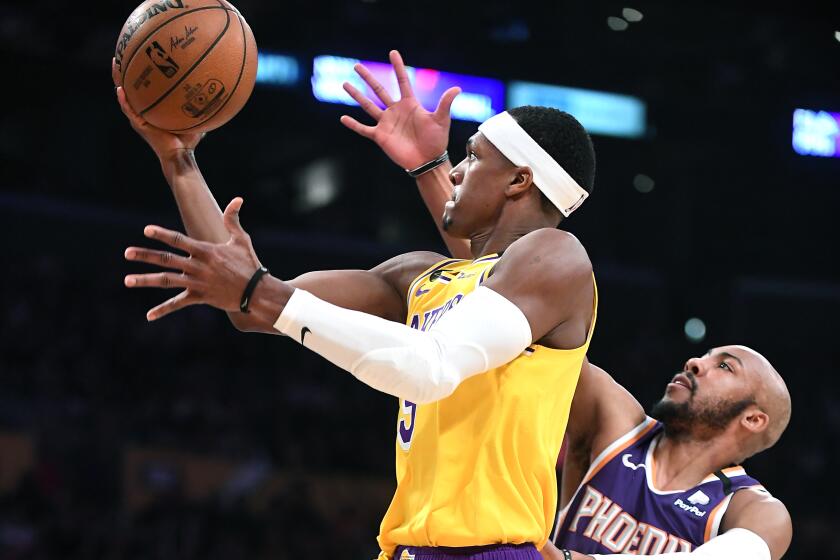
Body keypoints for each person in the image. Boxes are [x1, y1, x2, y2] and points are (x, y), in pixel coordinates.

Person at [114, 50, 598, 560]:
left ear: (520, 180)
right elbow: (251, 305)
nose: (456, 173)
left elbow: (430, 367)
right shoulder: (422, 276)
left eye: (473, 156)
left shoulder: (556, 257)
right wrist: (179, 161)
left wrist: (262, 291)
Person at [346, 70, 795, 560]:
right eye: (706, 356)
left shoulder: (751, 509)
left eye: (724, 365)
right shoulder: (614, 421)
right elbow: (496, 282)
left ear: (754, 418)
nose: (696, 363)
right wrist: (434, 170)